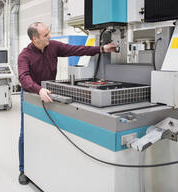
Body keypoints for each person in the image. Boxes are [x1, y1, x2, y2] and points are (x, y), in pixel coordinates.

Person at [17, 22, 116, 185]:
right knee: (26, 132)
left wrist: (101, 49)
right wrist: (38, 89)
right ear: (35, 39)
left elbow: (75, 50)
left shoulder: (53, 47)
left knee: (48, 129)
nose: (50, 36)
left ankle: (44, 163)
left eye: (49, 33)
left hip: (49, 92)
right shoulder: (25, 55)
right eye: (46, 35)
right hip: (31, 95)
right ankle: (23, 169)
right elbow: (23, 77)